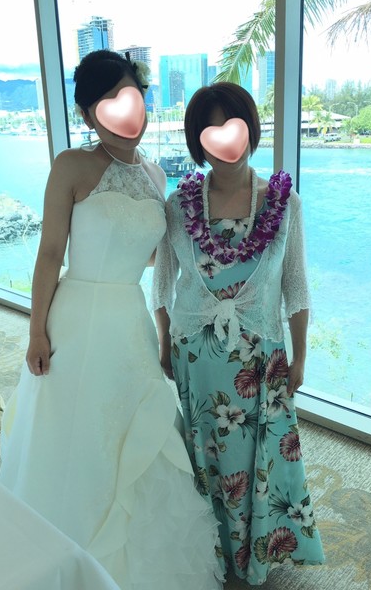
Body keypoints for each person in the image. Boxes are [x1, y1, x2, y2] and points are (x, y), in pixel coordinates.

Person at [0, 50, 223, 590]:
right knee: (75, 432)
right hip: (76, 318)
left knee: (138, 428)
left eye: (134, 97)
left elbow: (154, 257)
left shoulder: (154, 174)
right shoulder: (71, 166)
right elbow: (50, 253)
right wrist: (35, 330)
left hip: (129, 319)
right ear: (88, 113)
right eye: (109, 101)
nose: (127, 113)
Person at [152, 82, 325, 586]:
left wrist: (300, 356)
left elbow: (296, 285)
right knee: (208, 458)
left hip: (261, 356)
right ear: (197, 143)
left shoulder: (284, 203)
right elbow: (163, 282)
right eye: (210, 133)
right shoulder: (178, 206)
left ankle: (255, 555)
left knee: (257, 459)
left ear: (251, 129)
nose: (225, 142)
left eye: (234, 127)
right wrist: (163, 342)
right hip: (196, 357)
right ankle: (213, 551)